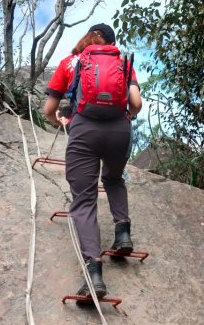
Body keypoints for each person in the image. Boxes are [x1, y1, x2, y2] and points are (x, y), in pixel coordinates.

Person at [43, 23, 142, 299]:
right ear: (111, 43)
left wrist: (62, 121)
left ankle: (94, 274)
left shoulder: (70, 62)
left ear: (88, 39)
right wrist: (125, 119)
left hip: (83, 129)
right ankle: (123, 232)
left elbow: (49, 109)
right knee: (113, 178)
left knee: (84, 200)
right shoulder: (122, 62)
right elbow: (135, 102)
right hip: (119, 129)